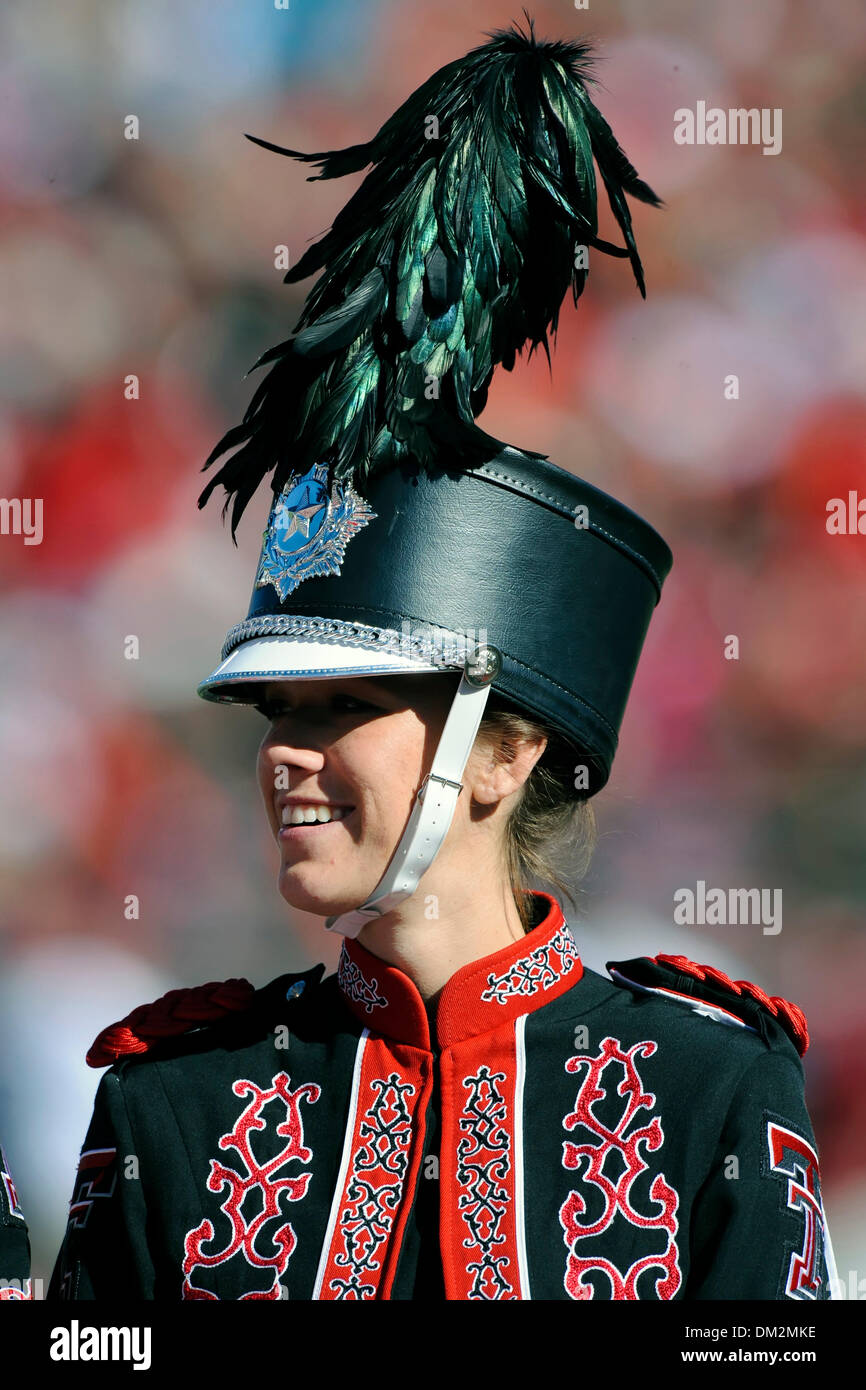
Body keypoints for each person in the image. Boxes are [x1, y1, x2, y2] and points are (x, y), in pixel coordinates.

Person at [48, 20, 834, 1301]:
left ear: (506, 750)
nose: (287, 758)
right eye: (271, 715)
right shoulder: (166, 1103)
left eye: (343, 707)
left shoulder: (714, 1086)